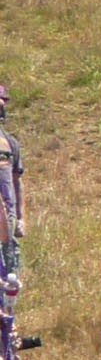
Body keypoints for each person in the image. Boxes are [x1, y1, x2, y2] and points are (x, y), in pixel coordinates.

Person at [0, 84, 24, 276]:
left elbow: (17, 182)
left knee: (10, 278)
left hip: (6, 228)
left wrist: (21, 218)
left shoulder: (10, 143)